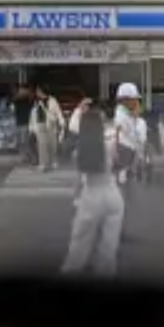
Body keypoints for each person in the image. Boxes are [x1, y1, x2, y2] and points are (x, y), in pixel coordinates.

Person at [61, 102, 124, 277]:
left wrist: (75, 199)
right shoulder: (109, 145)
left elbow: (79, 180)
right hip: (113, 195)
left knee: (79, 242)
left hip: (91, 196)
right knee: (109, 247)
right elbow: (120, 163)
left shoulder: (81, 151)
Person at [110, 82, 145, 187]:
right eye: (134, 100)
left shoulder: (130, 115)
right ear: (124, 100)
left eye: (137, 100)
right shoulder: (121, 116)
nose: (136, 102)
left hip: (130, 151)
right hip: (126, 150)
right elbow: (131, 135)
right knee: (123, 178)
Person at [30, 85, 65, 174]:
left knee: (52, 145)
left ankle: (53, 162)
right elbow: (33, 114)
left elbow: (58, 112)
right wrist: (32, 127)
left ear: (42, 91)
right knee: (41, 145)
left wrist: (61, 122)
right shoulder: (36, 102)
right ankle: (43, 164)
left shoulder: (52, 100)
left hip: (51, 125)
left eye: (38, 91)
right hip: (40, 125)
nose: (37, 93)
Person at [13, 85, 37, 166]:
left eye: (22, 90)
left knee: (26, 142)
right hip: (19, 123)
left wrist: (27, 93)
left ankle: (33, 158)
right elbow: (14, 101)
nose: (21, 92)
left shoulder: (29, 99)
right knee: (20, 142)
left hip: (26, 123)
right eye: (20, 90)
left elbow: (32, 101)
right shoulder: (17, 99)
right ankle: (25, 157)